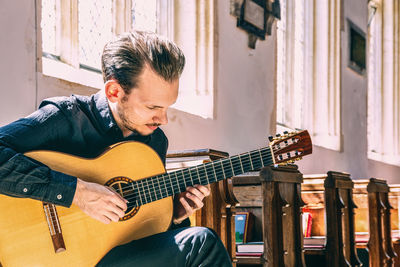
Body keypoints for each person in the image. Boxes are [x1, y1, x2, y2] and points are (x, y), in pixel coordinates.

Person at [0, 31, 232, 266]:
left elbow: (139, 232)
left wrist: (175, 214)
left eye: (167, 108)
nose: (163, 119)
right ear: (114, 91)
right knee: (202, 242)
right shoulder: (65, 117)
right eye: (153, 107)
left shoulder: (155, 141)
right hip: (48, 258)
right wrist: (76, 192)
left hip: (113, 257)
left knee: (194, 240)